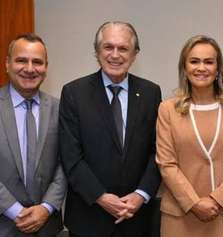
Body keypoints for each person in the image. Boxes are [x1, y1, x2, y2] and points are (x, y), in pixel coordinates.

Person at [59, 21, 162, 237]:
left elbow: (158, 151)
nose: (115, 55)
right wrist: (101, 197)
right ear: (97, 52)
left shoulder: (151, 93)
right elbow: (71, 156)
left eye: (123, 48)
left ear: (135, 55)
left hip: (136, 218)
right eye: (108, 47)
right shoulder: (74, 93)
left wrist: (140, 195)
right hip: (89, 218)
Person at [156, 35, 223, 237]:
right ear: (184, 67)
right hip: (180, 215)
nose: (201, 68)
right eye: (194, 61)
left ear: (218, 69)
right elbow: (166, 164)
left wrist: (217, 200)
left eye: (209, 62)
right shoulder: (168, 110)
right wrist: (194, 203)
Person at [0, 33, 66, 236]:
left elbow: (67, 163)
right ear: (7, 64)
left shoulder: (61, 108)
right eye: (21, 60)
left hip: (47, 226)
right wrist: (15, 211)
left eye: (37, 62)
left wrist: (46, 207)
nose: (29, 69)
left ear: (46, 67)